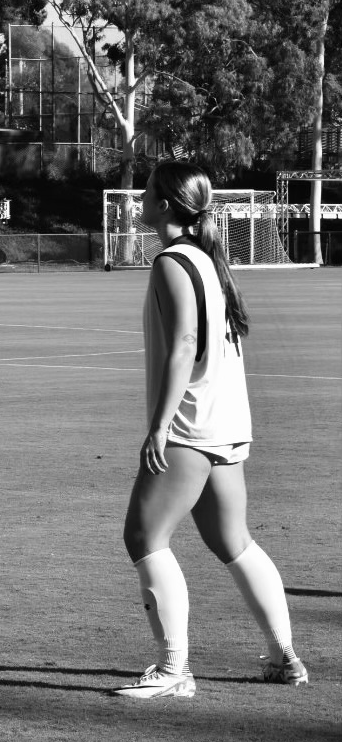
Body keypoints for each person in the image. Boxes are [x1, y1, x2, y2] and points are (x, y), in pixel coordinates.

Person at [111, 161, 308, 699]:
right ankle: (283, 657)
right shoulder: (205, 258)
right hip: (226, 420)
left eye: (148, 190)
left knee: (144, 536)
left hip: (191, 423)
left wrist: (159, 426)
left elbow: (182, 345)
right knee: (232, 541)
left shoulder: (172, 261)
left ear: (167, 205)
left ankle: (174, 669)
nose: (141, 197)